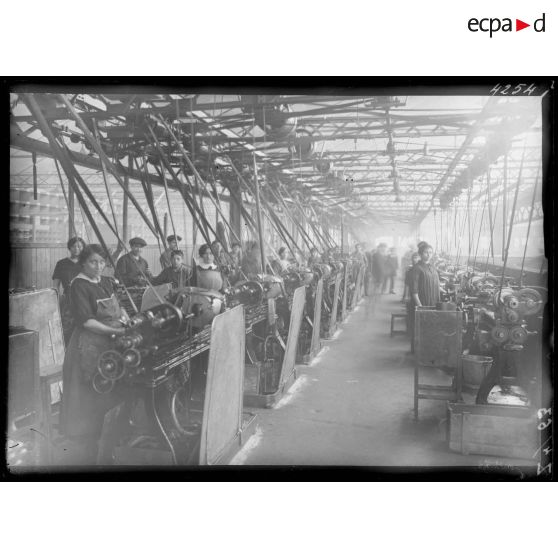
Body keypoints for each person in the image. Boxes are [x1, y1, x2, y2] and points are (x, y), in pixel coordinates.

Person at [60, 244, 128, 460]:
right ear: (83, 263)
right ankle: (89, 440)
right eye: (93, 262)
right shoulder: (78, 285)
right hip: (88, 346)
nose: (99, 266)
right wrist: (114, 331)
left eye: (102, 262)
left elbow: (119, 305)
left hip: (111, 342)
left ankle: (109, 432)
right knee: (90, 390)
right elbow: (86, 321)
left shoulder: (106, 281)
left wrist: (125, 318)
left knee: (110, 385)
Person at [52, 236, 85, 344]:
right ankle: (67, 351)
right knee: (67, 326)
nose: (77, 249)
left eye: (80, 246)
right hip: (68, 298)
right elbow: (55, 285)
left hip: (85, 297)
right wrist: (56, 300)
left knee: (84, 324)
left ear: (83, 248)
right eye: (74, 246)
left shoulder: (86, 263)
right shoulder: (61, 263)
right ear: (69, 248)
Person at [409, 243, 441, 353]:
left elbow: (436, 285)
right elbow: (414, 291)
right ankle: (418, 354)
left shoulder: (432, 267)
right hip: (422, 304)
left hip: (433, 303)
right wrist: (420, 307)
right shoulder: (417, 268)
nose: (429, 255)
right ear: (420, 254)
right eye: (426, 252)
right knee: (420, 329)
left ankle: (427, 353)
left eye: (431, 252)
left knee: (430, 329)